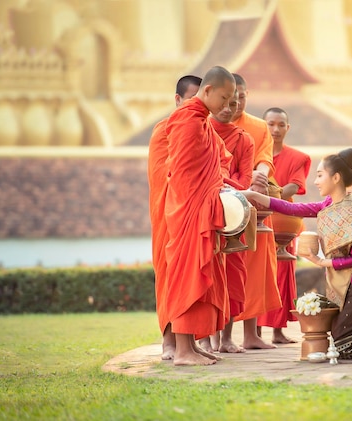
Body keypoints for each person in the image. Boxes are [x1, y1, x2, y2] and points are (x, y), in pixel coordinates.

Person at [241, 147, 352, 360]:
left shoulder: (351, 211)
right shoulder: (328, 205)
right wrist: (254, 196)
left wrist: (321, 261)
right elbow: (294, 209)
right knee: (340, 344)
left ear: (335, 177)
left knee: (343, 346)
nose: (315, 181)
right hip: (343, 286)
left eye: (319, 175)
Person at [162, 65, 236, 366]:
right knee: (186, 278)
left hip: (200, 207)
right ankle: (181, 351)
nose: (227, 106)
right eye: (224, 98)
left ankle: (190, 346)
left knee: (195, 278)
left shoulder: (201, 121)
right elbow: (180, 174)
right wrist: (205, 198)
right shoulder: (187, 121)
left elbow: (210, 167)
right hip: (188, 210)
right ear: (207, 91)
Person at [149, 75, 221, 362]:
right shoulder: (165, 130)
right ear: (178, 100)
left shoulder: (203, 127)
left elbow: (217, 163)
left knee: (192, 275)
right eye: (191, 99)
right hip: (172, 212)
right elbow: (167, 174)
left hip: (194, 210)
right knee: (173, 274)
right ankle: (171, 341)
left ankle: (189, 343)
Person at [198, 90, 255, 354]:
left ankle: (227, 338)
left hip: (234, 215)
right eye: (224, 102)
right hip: (203, 212)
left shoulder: (245, 140)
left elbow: (245, 182)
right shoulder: (200, 131)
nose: (228, 108)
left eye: (234, 103)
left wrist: (220, 180)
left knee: (233, 275)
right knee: (205, 273)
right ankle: (205, 338)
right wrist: (217, 179)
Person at [231, 74, 281, 349]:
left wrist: (258, 176)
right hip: (227, 198)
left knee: (257, 264)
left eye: (241, 95)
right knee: (226, 265)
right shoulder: (213, 123)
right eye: (231, 95)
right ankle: (218, 336)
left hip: (255, 199)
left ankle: (252, 334)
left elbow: (265, 158)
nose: (236, 101)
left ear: (247, 94)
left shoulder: (258, 126)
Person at [257, 107, 311, 344]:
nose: (275, 129)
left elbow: (295, 185)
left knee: (282, 274)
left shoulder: (297, 157)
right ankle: (254, 332)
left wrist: (272, 194)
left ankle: (278, 332)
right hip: (258, 219)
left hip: (284, 221)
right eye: (270, 124)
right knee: (257, 274)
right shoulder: (256, 155)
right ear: (263, 125)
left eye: (280, 125)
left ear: (287, 128)